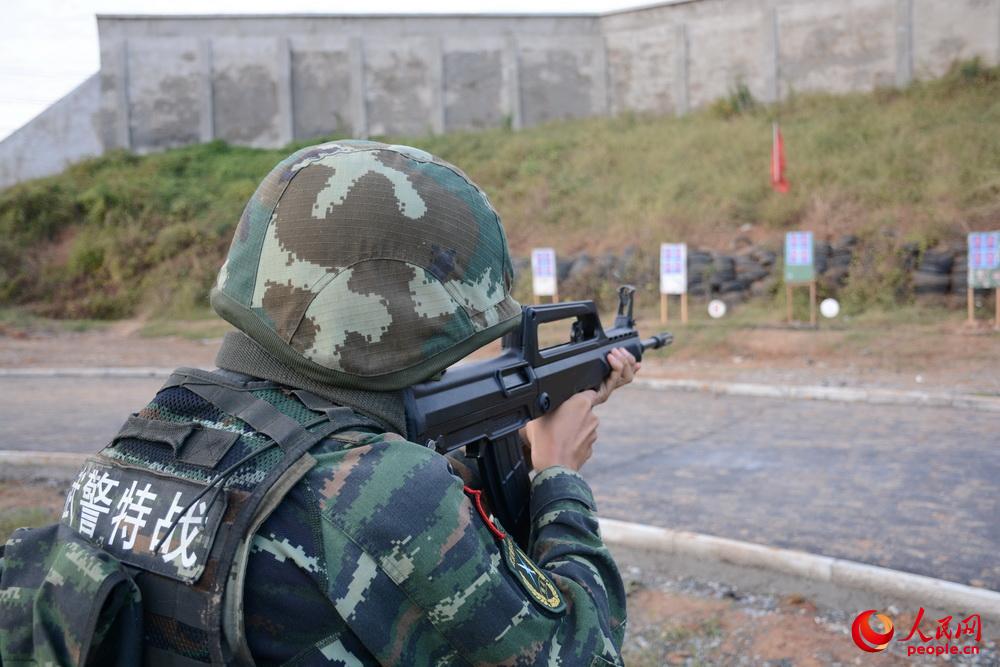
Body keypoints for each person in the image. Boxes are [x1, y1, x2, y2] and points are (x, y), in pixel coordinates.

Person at [0, 140, 639, 666]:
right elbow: (584, 653)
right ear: (403, 311)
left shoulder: (146, 438)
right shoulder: (386, 491)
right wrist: (558, 475)